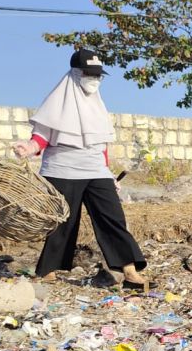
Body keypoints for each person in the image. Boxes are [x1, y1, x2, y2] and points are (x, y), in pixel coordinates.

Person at [12, 49, 148, 289]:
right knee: (63, 220)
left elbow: (101, 143)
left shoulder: (98, 106)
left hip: (96, 170)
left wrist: (108, 174)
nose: (94, 80)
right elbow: (42, 137)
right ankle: (48, 270)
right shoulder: (57, 102)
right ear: (75, 73)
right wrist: (29, 147)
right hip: (62, 168)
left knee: (113, 217)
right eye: (89, 74)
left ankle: (129, 270)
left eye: (98, 76)